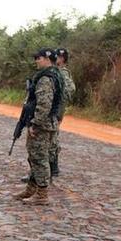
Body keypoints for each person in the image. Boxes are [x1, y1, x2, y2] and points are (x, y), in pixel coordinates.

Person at [14, 48, 63, 204]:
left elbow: (44, 104)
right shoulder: (56, 75)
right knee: (36, 157)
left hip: (42, 124)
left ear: (47, 59)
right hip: (49, 123)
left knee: (39, 158)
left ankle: (42, 195)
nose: (36, 60)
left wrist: (35, 124)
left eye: (38, 58)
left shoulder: (46, 78)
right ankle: (31, 189)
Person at [50, 48, 76, 176]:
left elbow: (70, 90)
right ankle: (52, 167)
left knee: (52, 137)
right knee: (52, 137)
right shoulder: (56, 71)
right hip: (55, 109)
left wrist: (58, 100)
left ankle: (52, 167)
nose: (56, 58)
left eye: (59, 56)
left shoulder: (63, 73)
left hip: (56, 110)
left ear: (63, 58)